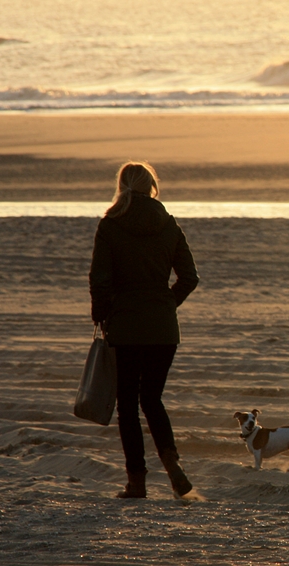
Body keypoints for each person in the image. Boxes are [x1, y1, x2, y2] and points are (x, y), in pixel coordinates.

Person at [89, 162, 200, 499]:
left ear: (122, 186)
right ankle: (172, 465)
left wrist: (101, 315)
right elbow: (189, 277)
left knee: (127, 406)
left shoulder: (111, 224)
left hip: (126, 326)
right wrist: (166, 304)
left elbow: (99, 279)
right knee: (152, 399)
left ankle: (136, 482)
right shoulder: (169, 224)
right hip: (163, 328)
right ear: (151, 185)